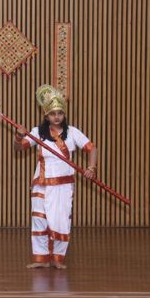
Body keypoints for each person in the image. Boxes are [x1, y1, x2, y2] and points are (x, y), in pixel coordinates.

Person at [14, 84, 97, 270]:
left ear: (64, 114)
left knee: (61, 220)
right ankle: (41, 259)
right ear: (46, 116)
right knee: (39, 220)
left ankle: (58, 259)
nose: (57, 117)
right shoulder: (37, 132)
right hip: (41, 184)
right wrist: (18, 136)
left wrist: (91, 167)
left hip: (63, 185)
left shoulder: (72, 132)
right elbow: (19, 148)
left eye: (60, 113)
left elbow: (92, 149)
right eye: (53, 114)